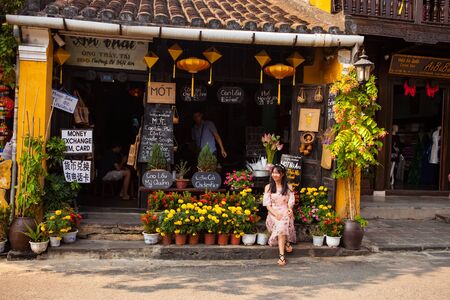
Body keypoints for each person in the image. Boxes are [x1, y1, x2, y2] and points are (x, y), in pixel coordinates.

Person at [263, 164, 296, 266]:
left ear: (282, 174)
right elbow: (268, 205)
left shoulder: (288, 187)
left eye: (277, 173)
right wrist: (275, 213)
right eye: (273, 172)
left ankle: (282, 257)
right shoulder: (268, 187)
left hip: (285, 211)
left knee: (283, 221)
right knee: (281, 223)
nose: (275, 175)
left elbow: (290, 202)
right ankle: (285, 245)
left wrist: (290, 209)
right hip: (273, 212)